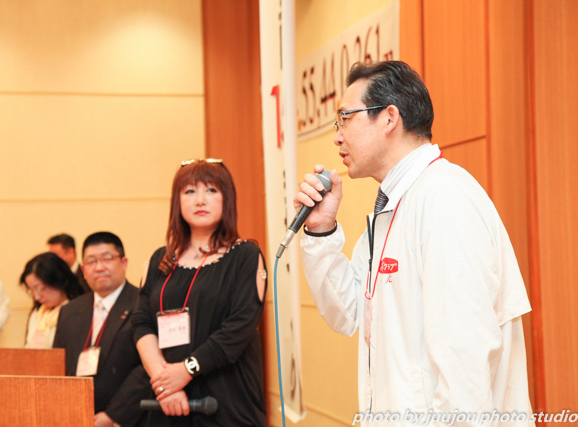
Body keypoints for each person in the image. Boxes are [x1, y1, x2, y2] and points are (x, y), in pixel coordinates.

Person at [294, 61, 533, 425]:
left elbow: (464, 363)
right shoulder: (394, 205)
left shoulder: (443, 197)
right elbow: (347, 312)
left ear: (389, 118)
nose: (337, 137)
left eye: (345, 119)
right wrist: (321, 231)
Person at [132, 159, 267, 426]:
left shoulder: (246, 256)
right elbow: (141, 322)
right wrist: (165, 383)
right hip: (168, 404)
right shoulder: (160, 259)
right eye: (190, 191)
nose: (200, 200)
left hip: (227, 404)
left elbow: (237, 329)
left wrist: (186, 370)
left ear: (227, 199)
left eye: (211, 190)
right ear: (177, 201)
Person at [53, 232, 149, 427]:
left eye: (107, 258)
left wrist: (113, 415)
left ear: (124, 262)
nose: (99, 267)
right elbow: (59, 365)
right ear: (83, 269)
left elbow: (148, 366)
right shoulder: (69, 311)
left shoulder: (143, 303)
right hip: (78, 417)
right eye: (91, 261)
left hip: (128, 419)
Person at [20, 252, 85, 349]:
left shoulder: (78, 312)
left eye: (40, 289)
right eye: (31, 291)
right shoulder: (38, 313)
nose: (36, 297)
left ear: (58, 281)